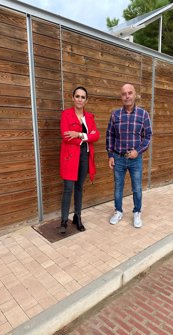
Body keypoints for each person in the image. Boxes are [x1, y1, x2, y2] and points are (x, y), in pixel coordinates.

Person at [106, 83, 152, 228]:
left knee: (137, 188)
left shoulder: (143, 114)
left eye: (130, 93)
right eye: (124, 94)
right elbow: (110, 135)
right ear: (121, 96)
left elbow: (148, 136)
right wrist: (110, 155)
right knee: (118, 187)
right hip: (118, 158)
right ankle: (118, 211)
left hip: (135, 159)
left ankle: (137, 212)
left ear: (135, 94)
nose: (127, 96)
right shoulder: (115, 115)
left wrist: (138, 151)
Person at [59, 86, 100, 234]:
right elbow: (66, 136)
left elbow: (96, 135)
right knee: (68, 188)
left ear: (86, 100)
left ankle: (77, 216)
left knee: (79, 187)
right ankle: (64, 220)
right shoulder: (66, 115)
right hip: (70, 156)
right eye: (77, 96)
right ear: (73, 98)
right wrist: (85, 138)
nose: (80, 99)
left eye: (83, 97)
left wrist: (79, 135)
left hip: (84, 156)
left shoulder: (89, 117)